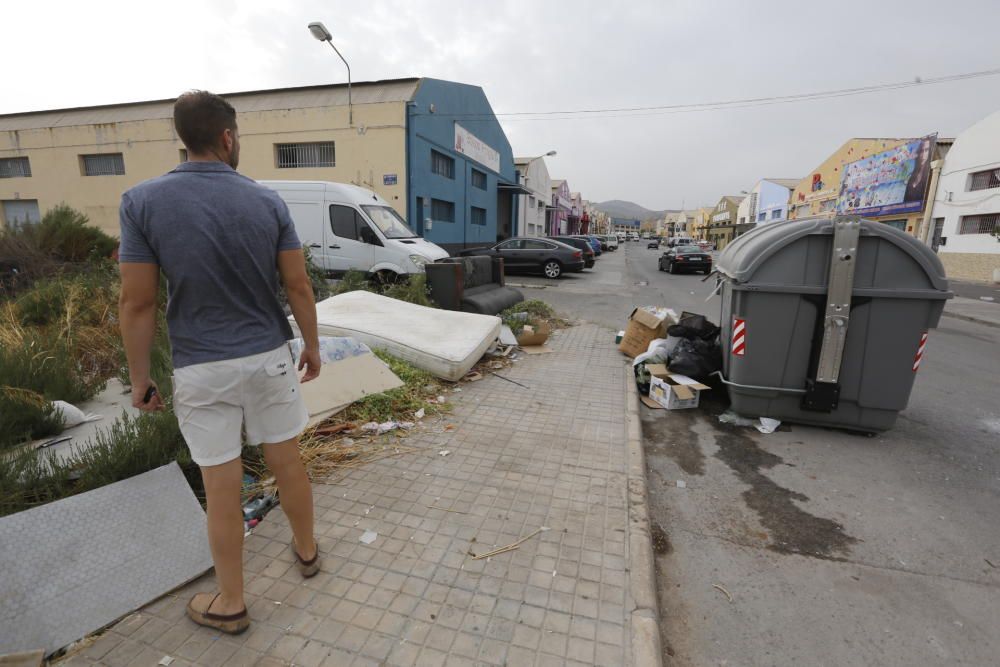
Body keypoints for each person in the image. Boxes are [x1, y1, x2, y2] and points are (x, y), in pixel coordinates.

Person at [118, 90, 322, 635]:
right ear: (228, 138)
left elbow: (136, 301)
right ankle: (306, 552)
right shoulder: (267, 201)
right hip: (268, 358)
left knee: (222, 487)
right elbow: (298, 285)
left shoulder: (140, 202)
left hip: (201, 368)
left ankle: (231, 601)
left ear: (183, 139)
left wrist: (140, 378)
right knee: (287, 462)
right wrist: (313, 346)